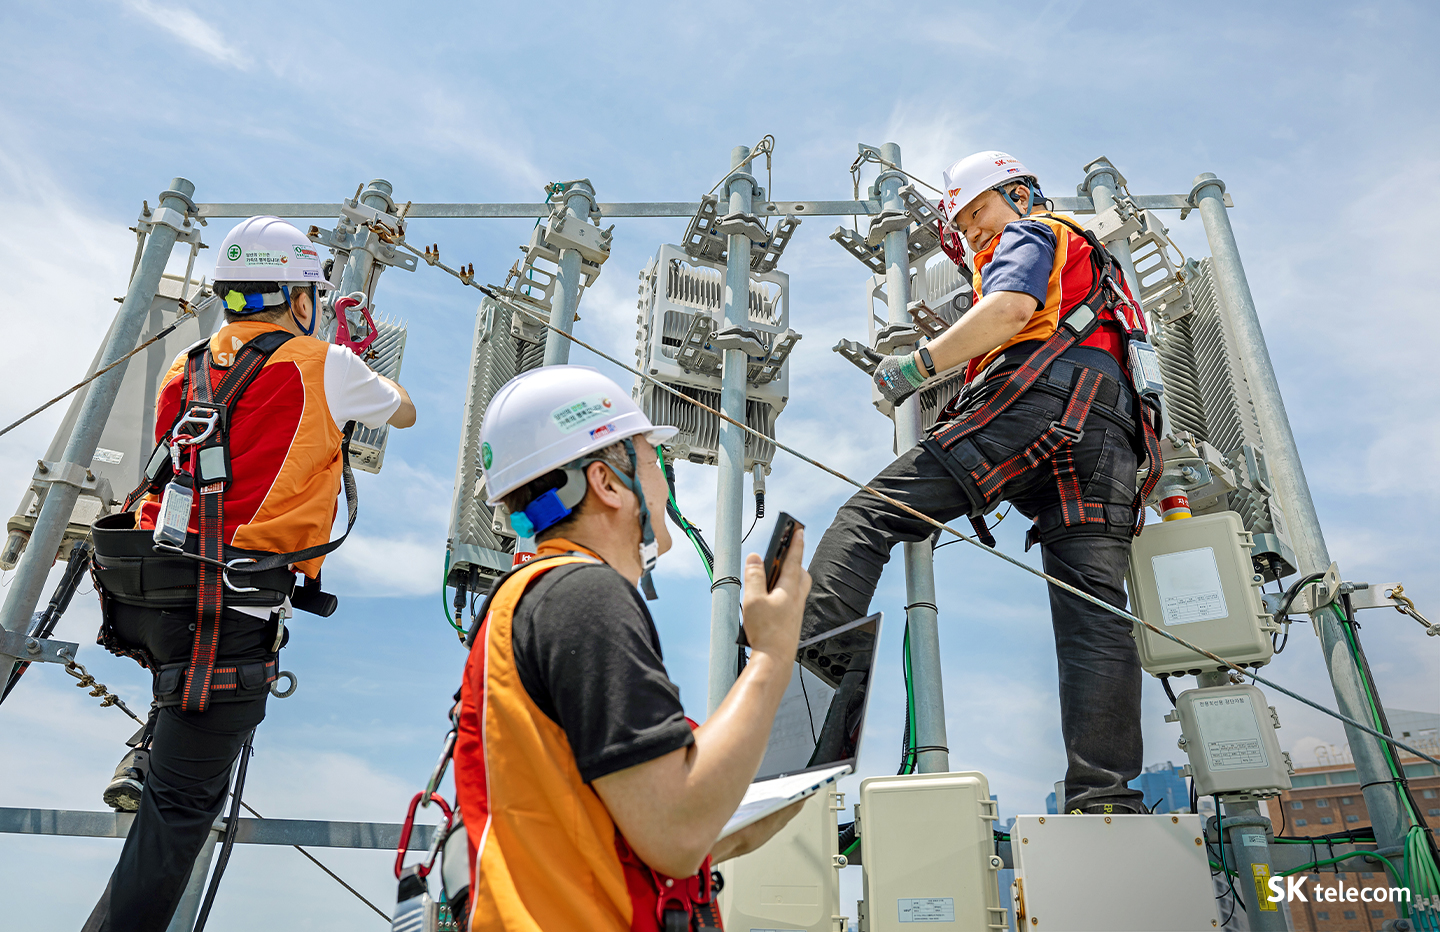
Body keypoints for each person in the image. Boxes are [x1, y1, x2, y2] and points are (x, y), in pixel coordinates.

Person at [84, 215, 416, 931]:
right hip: (228, 607)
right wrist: (348, 361)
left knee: (179, 725)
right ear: (300, 295)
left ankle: (148, 752)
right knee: (179, 814)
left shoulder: (187, 365)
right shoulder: (322, 362)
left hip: (152, 589)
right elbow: (405, 413)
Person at [806, 150, 1162, 816]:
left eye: (979, 212)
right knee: (1095, 616)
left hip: (1041, 401)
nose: (975, 234)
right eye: (965, 227)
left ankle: (794, 716)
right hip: (1110, 438)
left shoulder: (1033, 233)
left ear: (1023, 195)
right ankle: (1105, 799)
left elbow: (1005, 313)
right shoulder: (1102, 281)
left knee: (869, 515)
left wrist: (915, 368)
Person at [452, 365, 810, 931]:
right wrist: (770, 656)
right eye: (653, 458)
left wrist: (774, 794)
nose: (666, 480)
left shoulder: (533, 598)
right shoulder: (583, 598)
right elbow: (672, 833)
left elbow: (638, 828)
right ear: (609, 484)